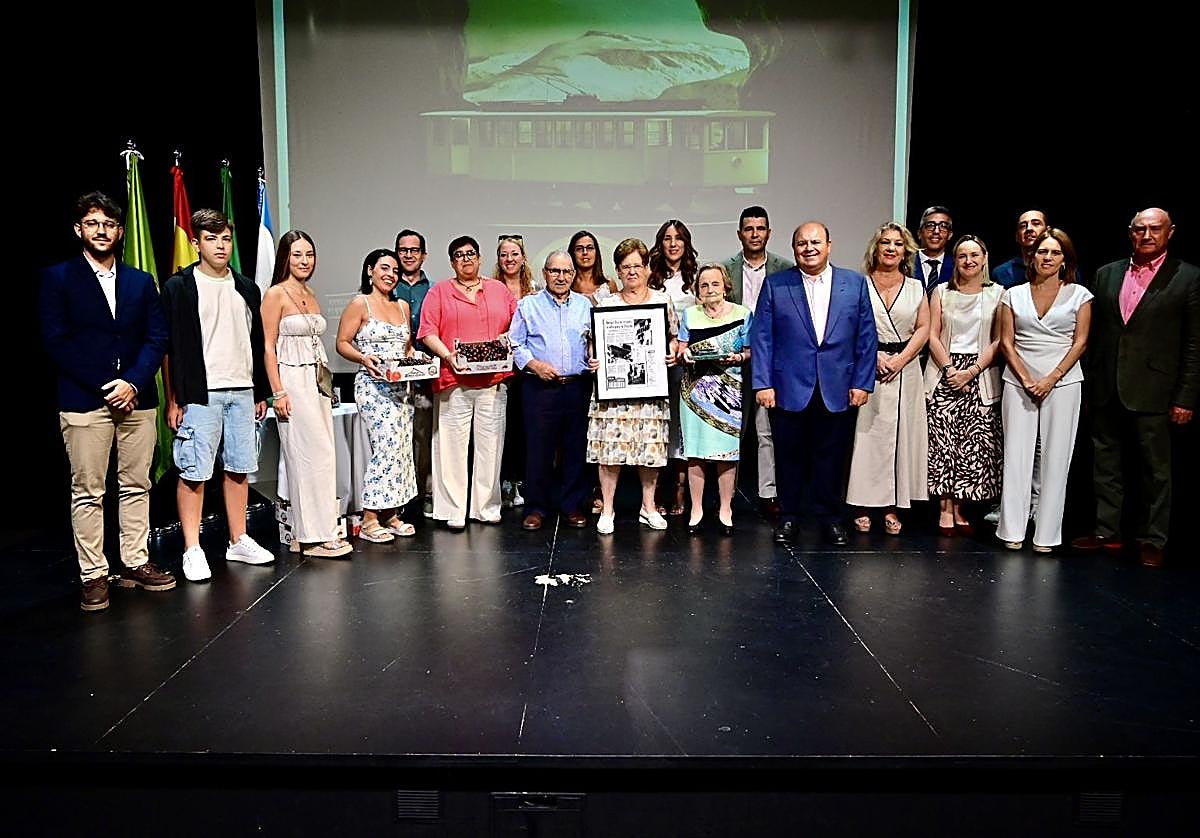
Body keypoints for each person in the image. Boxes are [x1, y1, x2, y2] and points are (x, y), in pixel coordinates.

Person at [40, 191, 175, 611]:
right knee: (88, 491)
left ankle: (135, 561)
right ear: (78, 229)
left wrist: (132, 382)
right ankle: (94, 574)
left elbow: (157, 337)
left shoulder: (140, 281)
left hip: (138, 399)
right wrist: (108, 385)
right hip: (85, 400)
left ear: (120, 232)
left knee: (137, 484)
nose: (101, 231)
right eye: (92, 223)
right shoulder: (58, 277)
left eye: (109, 224)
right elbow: (56, 341)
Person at [1072, 208, 1199, 567]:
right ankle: (1106, 530)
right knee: (1105, 462)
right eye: (1140, 229)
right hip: (1106, 384)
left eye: (1155, 229)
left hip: (1155, 389)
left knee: (1155, 470)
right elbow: (1096, 334)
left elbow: (1194, 344)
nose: (1147, 235)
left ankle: (1153, 538)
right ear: (1130, 233)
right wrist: (1091, 383)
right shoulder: (1107, 273)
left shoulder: (1188, 277)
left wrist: (1186, 397)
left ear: (1170, 232)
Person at [163, 208, 277, 581]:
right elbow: (170, 347)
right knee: (194, 471)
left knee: (239, 468)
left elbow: (256, 342)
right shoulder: (180, 287)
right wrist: (174, 398)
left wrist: (260, 391)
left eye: (226, 238)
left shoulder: (246, 287)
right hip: (200, 392)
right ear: (196, 243)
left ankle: (238, 539)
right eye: (211, 239)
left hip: (243, 389)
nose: (220, 246)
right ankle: (192, 548)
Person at [752, 222, 876, 546]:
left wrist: (863, 382)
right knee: (788, 457)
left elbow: (866, 337)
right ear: (794, 249)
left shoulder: (854, 283)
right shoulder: (776, 284)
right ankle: (789, 517)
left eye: (815, 242)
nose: (809, 248)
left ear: (829, 245)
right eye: (802, 243)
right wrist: (763, 383)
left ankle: (831, 518)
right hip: (787, 387)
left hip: (838, 387)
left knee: (832, 457)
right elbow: (762, 337)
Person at [996, 228, 1092, 553]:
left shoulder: (1080, 295)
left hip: (1063, 381)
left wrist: (1052, 378)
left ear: (1065, 260)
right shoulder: (1013, 295)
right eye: (1042, 252)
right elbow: (1006, 342)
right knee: (1016, 456)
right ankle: (1012, 529)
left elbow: (1080, 342)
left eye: (1054, 252)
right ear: (1032, 257)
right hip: (1018, 381)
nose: (1047, 257)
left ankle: (1046, 535)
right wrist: (1026, 378)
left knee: (1056, 458)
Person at [261, 230, 352, 558]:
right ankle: (313, 538)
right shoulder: (276, 294)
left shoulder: (310, 293)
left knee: (323, 455)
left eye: (309, 254)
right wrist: (278, 392)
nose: (304, 261)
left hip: (317, 382)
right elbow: (268, 348)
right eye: (297, 254)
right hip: (292, 381)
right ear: (285, 257)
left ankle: (313, 532)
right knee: (306, 457)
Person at [417, 235, 517, 529]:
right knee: (451, 448)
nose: (466, 259)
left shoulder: (498, 289)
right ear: (452, 262)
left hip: (493, 380)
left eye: (471, 253)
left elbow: (519, 323)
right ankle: (453, 510)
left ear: (480, 257)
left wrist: (509, 339)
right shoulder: (439, 292)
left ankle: (486, 507)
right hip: (453, 379)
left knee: (491, 447)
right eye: (459, 255)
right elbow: (427, 332)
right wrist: (448, 356)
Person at [587, 238, 679, 534]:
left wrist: (672, 352)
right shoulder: (607, 304)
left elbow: (673, 337)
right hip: (613, 394)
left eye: (637, 265)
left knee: (650, 449)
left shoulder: (662, 301)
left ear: (647, 268)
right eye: (625, 267)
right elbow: (593, 343)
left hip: (650, 390)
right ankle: (608, 509)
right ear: (618, 270)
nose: (631, 272)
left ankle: (648, 507)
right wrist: (594, 358)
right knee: (609, 451)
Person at [846, 222, 930, 534]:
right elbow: (849, 326)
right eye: (885, 242)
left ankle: (892, 506)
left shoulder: (916, 287)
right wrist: (874, 357)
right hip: (869, 367)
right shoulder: (859, 284)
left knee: (899, 439)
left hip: (905, 369)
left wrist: (901, 359)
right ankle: (862, 503)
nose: (891, 248)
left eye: (897, 243)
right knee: (867, 439)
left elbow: (924, 328)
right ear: (875, 248)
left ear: (906, 251)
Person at [335, 248, 418, 543]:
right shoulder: (361, 303)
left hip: (401, 388)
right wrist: (363, 358)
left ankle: (391, 514)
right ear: (370, 270)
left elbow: (406, 347)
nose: (390, 275)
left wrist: (416, 359)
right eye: (384, 268)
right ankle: (369, 518)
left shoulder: (402, 306)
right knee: (385, 448)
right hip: (373, 387)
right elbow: (342, 342)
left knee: (401, 449)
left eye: (395, 270)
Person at [508, 251, 594, 531]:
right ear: (545, 273)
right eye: (555, 271)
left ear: (573, 274)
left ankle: (572, 506)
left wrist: (594, 357)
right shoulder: (528, 305)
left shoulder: (585, 305)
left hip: (577, 386)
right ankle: (536, 508)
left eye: (567, 272)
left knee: (575, 448)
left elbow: (593, 341)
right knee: (538, 450)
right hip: (539, 387)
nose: (561, 277)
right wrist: (535, 365)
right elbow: (515, 343)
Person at [924, 235, 1004, 535]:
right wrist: (950, 370)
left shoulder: (998, 293)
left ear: (984, 258)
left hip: (980, 374)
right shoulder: (941, 292)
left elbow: (999, 340)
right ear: (954, 261)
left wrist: (971, 372)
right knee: (942, 444)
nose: (968, 261)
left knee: (972, 446)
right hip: (944, 372)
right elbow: (932, 334)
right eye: (962, 256)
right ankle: (944, 508)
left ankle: (960, 506)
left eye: (974, 255)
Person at [723, 206, 793, 518]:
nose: (755, 234)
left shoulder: (785, 269)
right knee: (731, 430)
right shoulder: (724, 269)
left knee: (766, 432)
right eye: (749, 229)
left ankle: (768, 493)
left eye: (760, 228)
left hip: (770, 361)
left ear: (769, 232)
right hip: (732, 361)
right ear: (740, 234)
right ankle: (726, 495)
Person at [677, 263, 752, 535]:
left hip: (728, 392)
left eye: (715, 284)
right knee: (695, 453)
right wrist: (684, 355)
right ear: (698, 289)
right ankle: (696, 509)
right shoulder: (689, 315)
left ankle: (725, 509)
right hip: (694, 392)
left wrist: (738, 357)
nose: (710, 289)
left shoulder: (743, 314)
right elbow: (682, 350)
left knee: (727, 454)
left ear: (726, 287)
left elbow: (749, 351)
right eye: (704, 285)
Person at [648, 219, 699, 516]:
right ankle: (655, 490)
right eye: (667, 238)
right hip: (655, 362)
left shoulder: (696, 277)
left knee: (681, 426)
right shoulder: (649, 277)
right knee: (659, 422)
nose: (673, 243)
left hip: (685, 363)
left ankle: (679, 490)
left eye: (678, 238)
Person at [392, 229, 434, 519]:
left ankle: (420, 497)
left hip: (425, 376)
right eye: (403, 250)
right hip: (390, 378)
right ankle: (395, 498)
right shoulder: (385, 286)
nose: (408, 255)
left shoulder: (435, 290)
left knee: (422, 438)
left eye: (414, 250)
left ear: (423, 255)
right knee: (395, 439)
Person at [494, 234, 537, 510]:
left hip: (528, 370)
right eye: (504, 254)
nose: (509, 259)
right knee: (504, 429)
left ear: (523, 258)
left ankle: (522, 480)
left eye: (514, 254)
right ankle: (506, 481)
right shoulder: (490, 289)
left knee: (524, 428)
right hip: (501, 371)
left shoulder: (535, 290)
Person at [990, 209, 1047, 289]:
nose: (1029, 228)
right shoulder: (1001, 273)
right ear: (1017, 236)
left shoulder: (1058, 266)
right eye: (1023, 226)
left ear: (1047, 231)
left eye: (1036, 224)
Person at [915, 206, 955, 293]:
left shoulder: (957, 266)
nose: (936, 231)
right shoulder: (905, 263)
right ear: (919, 233)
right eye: (930, 225)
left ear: (950, 235)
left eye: (943, 226)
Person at [569, 230, 617, 303]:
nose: (585, 252)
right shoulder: (567, 284)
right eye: (579, 249)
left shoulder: (609, 284)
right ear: (572, 253)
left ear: (596, 252)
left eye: (590, 248)